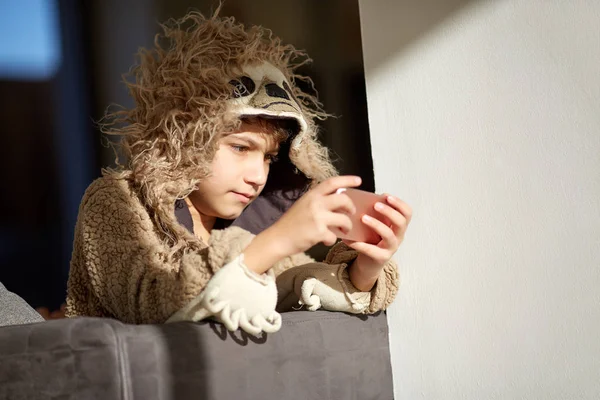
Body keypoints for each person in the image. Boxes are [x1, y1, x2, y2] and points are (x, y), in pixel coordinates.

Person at [65, 10, 412, 336]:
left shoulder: (248, 223)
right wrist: (278, 240)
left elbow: (298, 282)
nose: (257, 176)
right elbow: (147, 303)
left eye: (269, 158)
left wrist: (364, 269)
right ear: (185, 136)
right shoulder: (116, 200)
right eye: (240, 147)